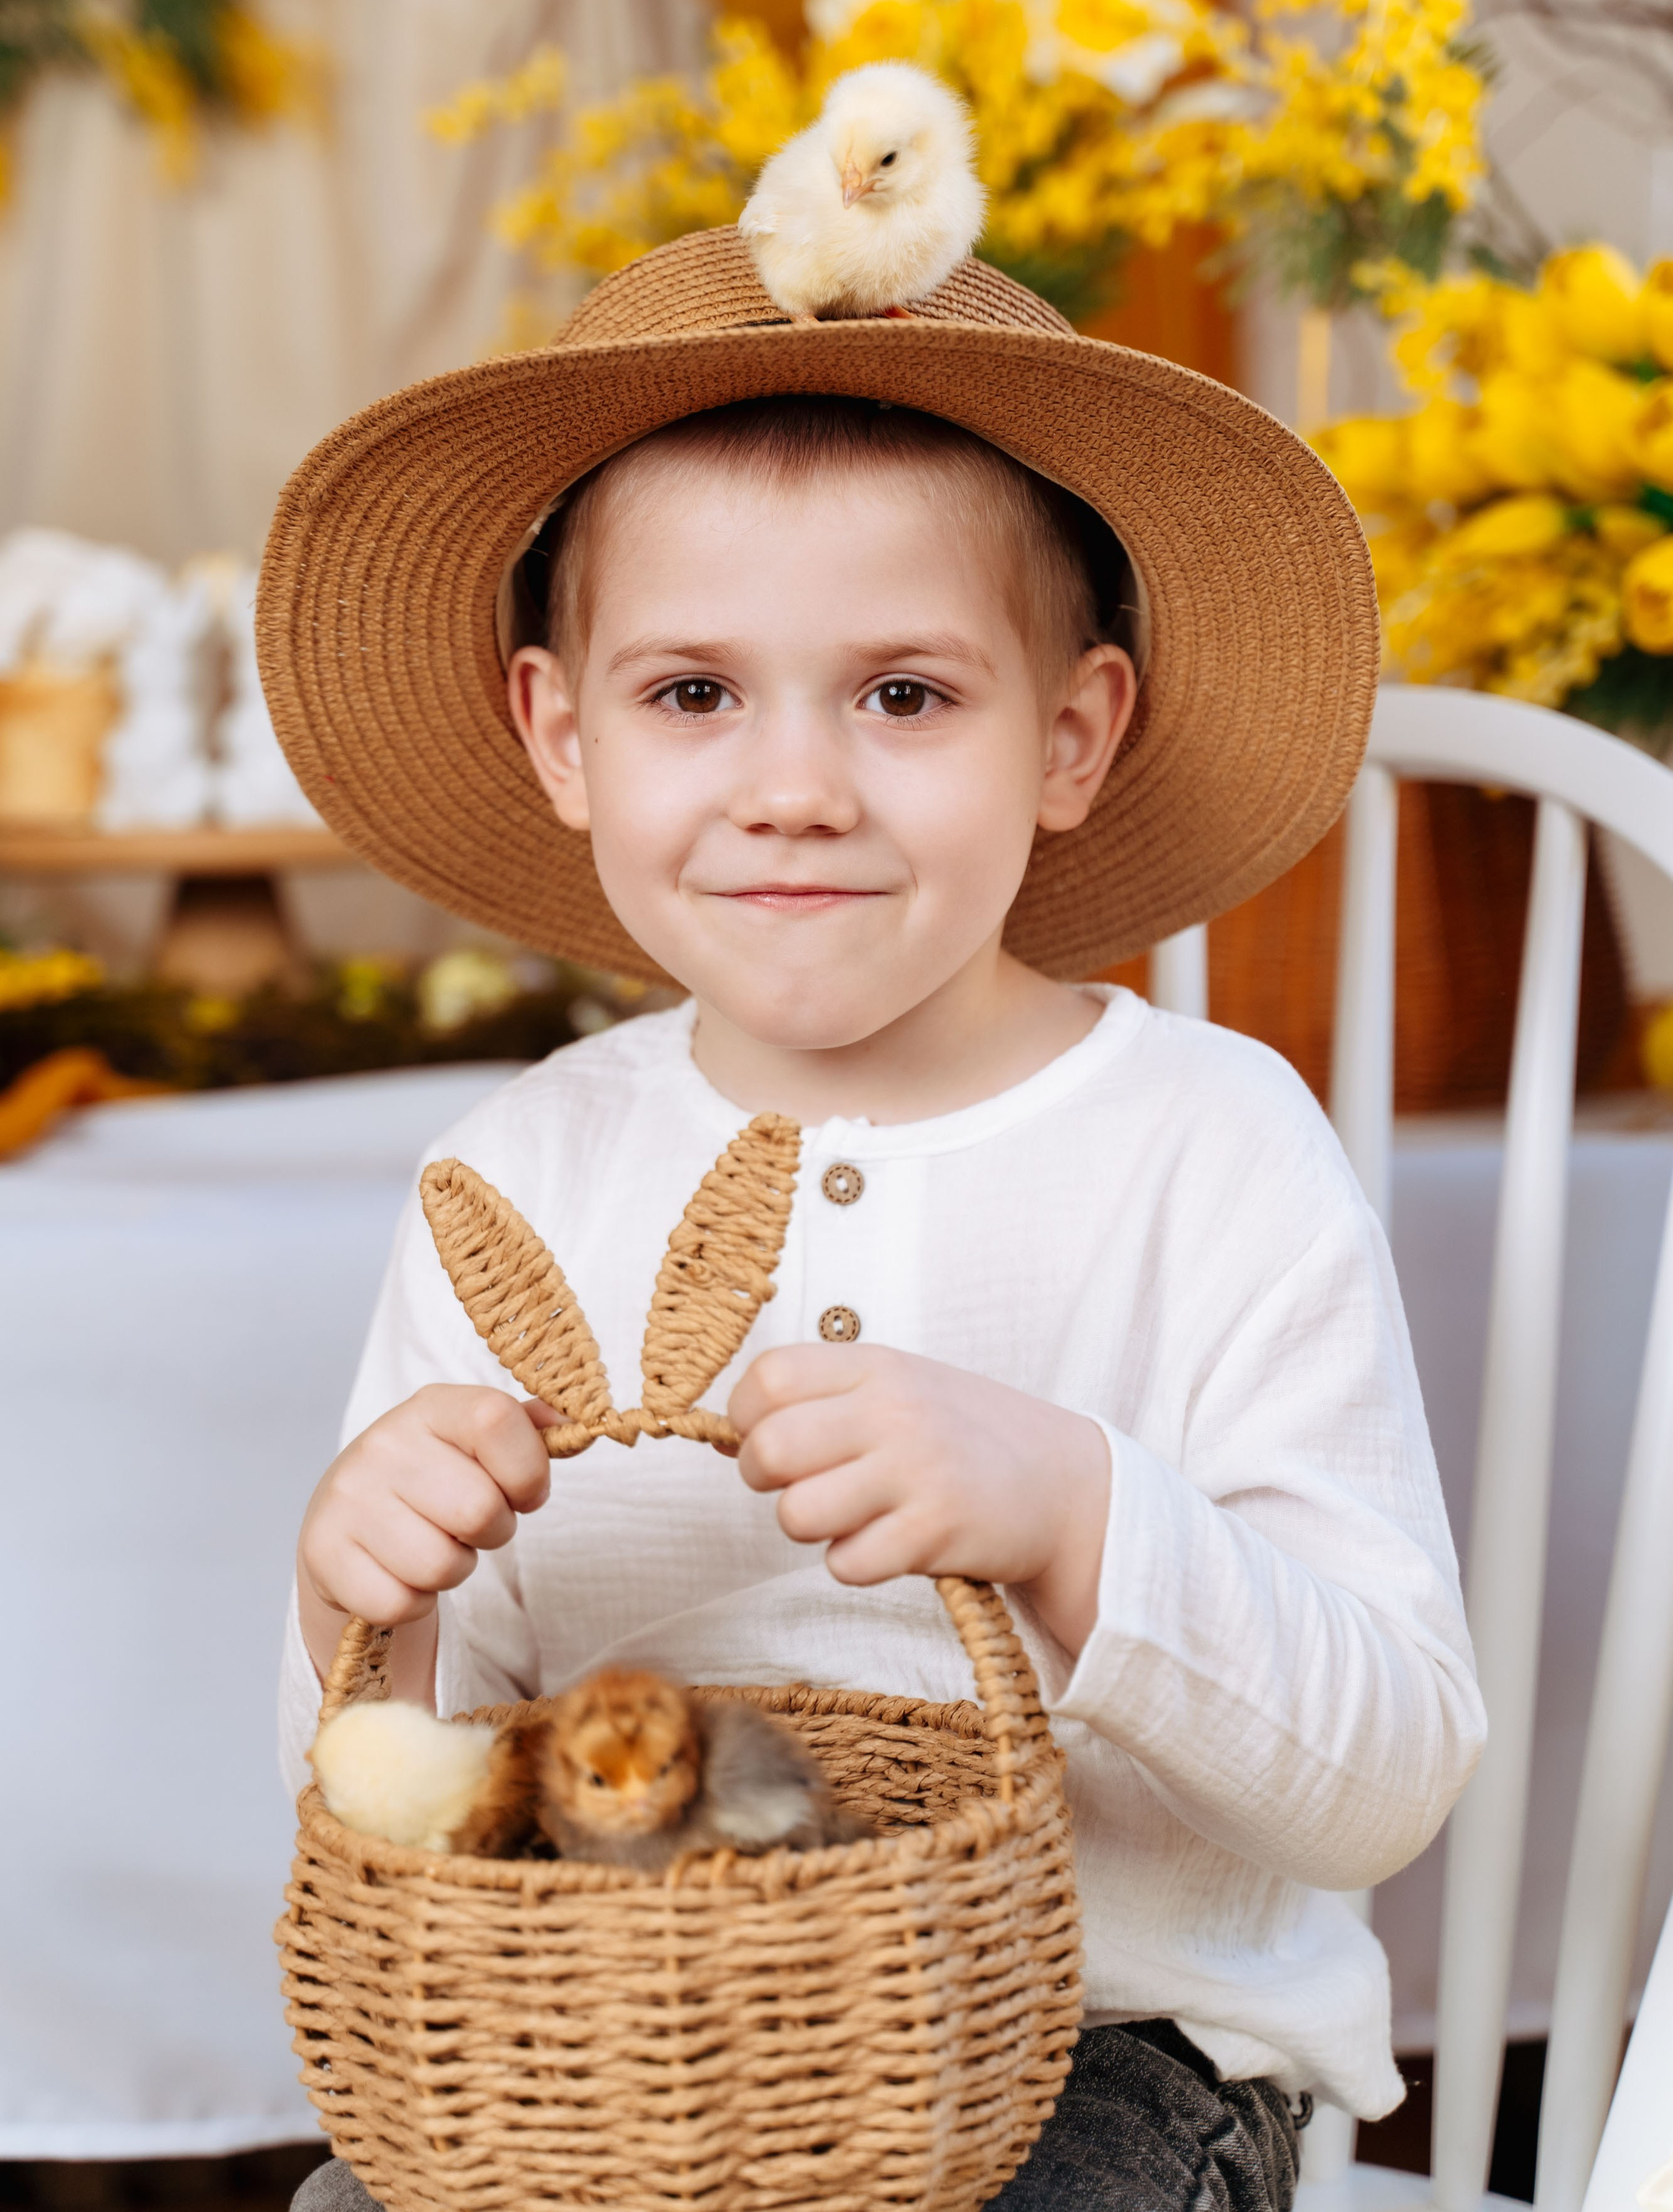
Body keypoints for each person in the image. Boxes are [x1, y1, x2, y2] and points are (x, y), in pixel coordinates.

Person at [264, 225, 1484, 2212]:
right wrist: (359, 1618)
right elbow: (396, 1801)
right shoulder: (519, 1177)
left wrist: (1081, 1513)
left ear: (1070, 736)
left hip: (1100, 2067)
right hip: (622, 2046)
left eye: (905, 695)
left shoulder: (1207, 1143)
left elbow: (1385, 1777)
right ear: (563, 735)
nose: (796, 787)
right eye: (693, 694)